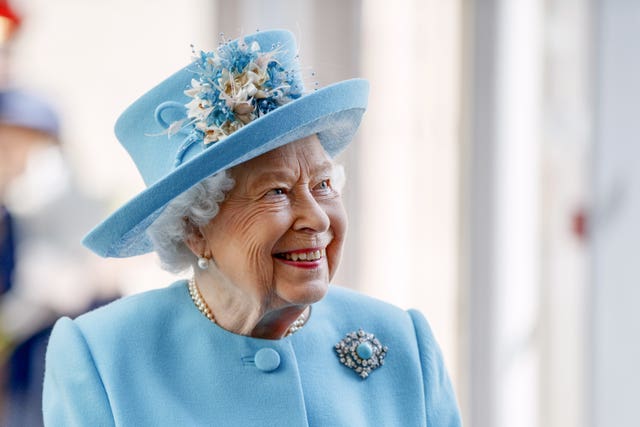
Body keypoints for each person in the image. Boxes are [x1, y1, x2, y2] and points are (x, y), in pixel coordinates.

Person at [42, 30, 462, 426]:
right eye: (277, 191)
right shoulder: (102, 355)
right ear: (195, 229)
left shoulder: (405, 342)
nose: (316, 218)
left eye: (323, 185)